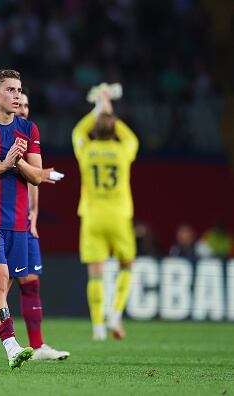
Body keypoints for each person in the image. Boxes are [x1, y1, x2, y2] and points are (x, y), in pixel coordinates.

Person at [0, 90, 69, 362]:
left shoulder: (28, 131)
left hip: (19, 223)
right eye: (12, 91)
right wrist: (6, 163)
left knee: (4, 289)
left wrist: (16, 161)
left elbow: (37, 177)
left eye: (21, 93)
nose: (18, 99)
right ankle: (3, 345)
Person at [72, 83, 139, 341]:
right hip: (119, 214)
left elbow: (78, 131)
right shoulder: (123, 150)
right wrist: (110, 112)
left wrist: (97, 110)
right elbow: (132, 138)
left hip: (91, 215)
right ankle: (116, 313)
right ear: (114, 131)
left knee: (95, 273)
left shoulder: (86, 150)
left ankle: (98, 326)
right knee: (127, 265)